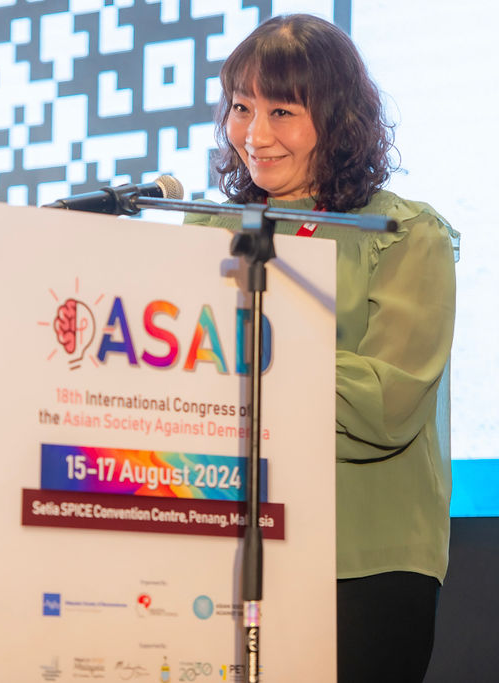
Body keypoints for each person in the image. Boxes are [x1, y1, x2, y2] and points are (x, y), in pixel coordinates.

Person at [184, 14, 457, 683]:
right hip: (214, 545)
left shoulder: (405, 234)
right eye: (241, 108)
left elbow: (386, 406)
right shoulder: (199, 232)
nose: (255, 134)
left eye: (282, 111)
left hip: (361, 562)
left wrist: (252, 357)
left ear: (337, 120)